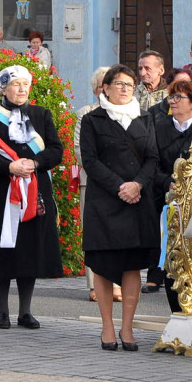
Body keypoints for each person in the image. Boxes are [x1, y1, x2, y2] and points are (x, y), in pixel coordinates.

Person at [0, 65, 63, 329]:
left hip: (35, 190)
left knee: (29, 249)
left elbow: (56, 150)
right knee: (4, 250)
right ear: (3, 88)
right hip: (1, 193)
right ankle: (2, 310)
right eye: (15, 84)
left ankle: (26, 310)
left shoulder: (41, 115)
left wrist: (34, 164)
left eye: (25, 84)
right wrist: (9, 167)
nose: (21, 89)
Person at [78, 64, 160, 350]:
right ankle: (107, 327)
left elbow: (153, 158)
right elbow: (90, 160)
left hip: (138, 200)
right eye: (119, 84)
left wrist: (136, 184)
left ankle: (127, 327)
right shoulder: (93, 120)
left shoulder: (146, 118)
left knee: (132, 266)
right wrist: (119, 187)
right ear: (106, 88)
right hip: (105, 201)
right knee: (103, 264)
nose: (125, 88)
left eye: (129, 84)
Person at [152, 77, 192, 307]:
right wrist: (167, 183)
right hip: (166, 202)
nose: (172, 102)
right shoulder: (158, 126)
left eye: (178, 97)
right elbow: (151, 163)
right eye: (171, 97)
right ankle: (176, 312)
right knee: (171, 258)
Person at [73, 66, 120, 303]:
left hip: (123, 184)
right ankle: (95, 286)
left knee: (119, 233)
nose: (108, 88)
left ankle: (117, 284)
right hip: (92, 182)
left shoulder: (127, 113)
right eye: (104, 84)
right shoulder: (86, 113)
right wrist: (105, 175)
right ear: (97, 89)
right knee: (94, 234)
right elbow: (81, 150)